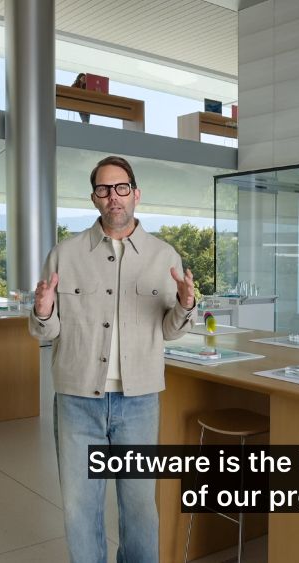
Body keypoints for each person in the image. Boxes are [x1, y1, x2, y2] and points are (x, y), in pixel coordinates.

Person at [28, 155, 196, 563]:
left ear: (135, 194)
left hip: (138, 402)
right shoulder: (64, 255)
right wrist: (44, 310)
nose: (114, 197)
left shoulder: (164, 256)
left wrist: (186, 305)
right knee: (79, 510)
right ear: (94, 198)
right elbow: (44, 333)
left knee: (139, 512)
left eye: (121, 188)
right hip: (77, 401)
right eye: (104, 190)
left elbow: (172, 331)